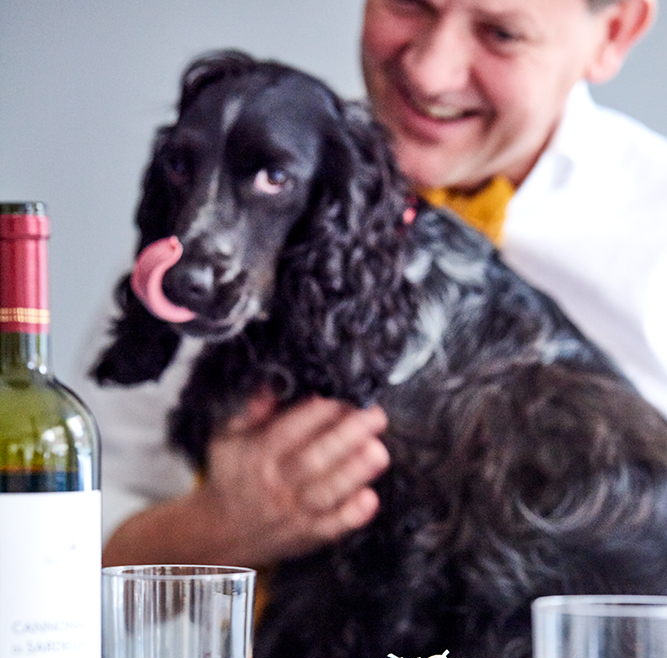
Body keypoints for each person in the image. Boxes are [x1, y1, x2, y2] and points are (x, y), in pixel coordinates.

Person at [85, 0, 667, 573]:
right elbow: (65, 533)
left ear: (614, 32)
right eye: (410, 3)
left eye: (502, 32)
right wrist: (218, 527)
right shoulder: (227, 202)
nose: (429, 72)